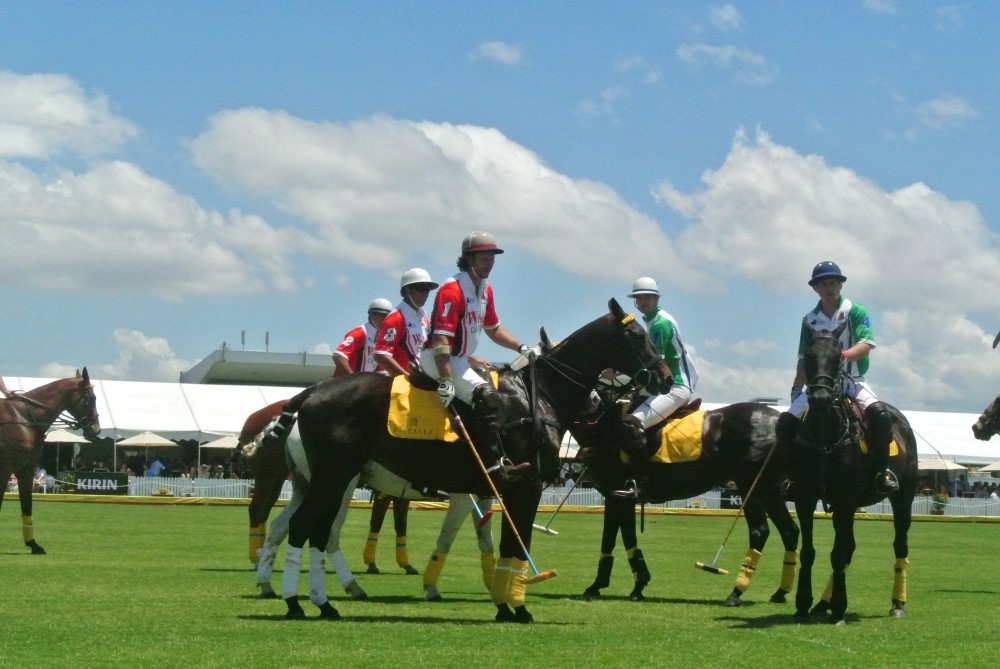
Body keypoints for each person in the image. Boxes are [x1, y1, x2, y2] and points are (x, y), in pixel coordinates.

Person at [419, 231, 534, 484]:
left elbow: (493, 329)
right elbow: (441, 341)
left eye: (493, 258)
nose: (491, 263)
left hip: (459, 358)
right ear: (469, 258)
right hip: (438, 358)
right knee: (488, 397)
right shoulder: (452, 290)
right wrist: (446, 379)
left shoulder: (485, 290)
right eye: (485, 258)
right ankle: (493, 465)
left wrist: (522, 348)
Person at [779, 261, 899, 496]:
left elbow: (866, 345)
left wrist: (838, 355)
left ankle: (883, 471)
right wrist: (796, 388)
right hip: (819, 385)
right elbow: (804, 358)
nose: (829, 287)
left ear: (841, 284)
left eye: (833, 282)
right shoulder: (809, 320)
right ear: (815, 288)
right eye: (823, 283)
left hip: (852, 380)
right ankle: (791, 476)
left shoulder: (855, 311)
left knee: (881, 416)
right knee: (786, 423)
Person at [613, 277, 698, 499]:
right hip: (662, 388)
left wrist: (616, 373)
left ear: (656, 298)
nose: (642, 301)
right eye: (639, 297)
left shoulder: (659, 324)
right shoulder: (652, 322)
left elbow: (651, 365)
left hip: (675, 387)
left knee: (632, 424)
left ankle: (641, 484)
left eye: (647, 296)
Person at [374, 268, 439, 378]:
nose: (425, 294)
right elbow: (380, 354)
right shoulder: (396, 318)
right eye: (421, 288)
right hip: (405, 383)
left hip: (424, 378)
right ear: (407, 290)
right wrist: (406, 378)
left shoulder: (424, 319)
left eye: (427, 289)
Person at [333, 298, 394, 377]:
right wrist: (352, 379)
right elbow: (338, 356)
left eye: (387, 316)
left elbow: (379, 369)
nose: (385, 319)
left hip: (363, 384)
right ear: (372, 315)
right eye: (382, 315)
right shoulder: (360, 333)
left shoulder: (383, 338)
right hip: (345, 384)